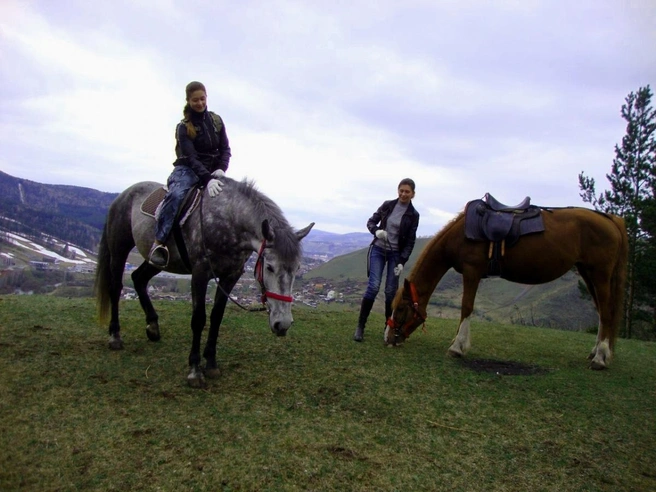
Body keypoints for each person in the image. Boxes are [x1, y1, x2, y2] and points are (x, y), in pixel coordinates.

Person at [149, 81, 232, 268]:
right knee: (176, 196)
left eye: (202, 99)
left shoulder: (216, 121)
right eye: (195, 100)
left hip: (213, 171)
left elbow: (225, 148)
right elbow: (191, 158)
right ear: (188, 101)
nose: (200, 103)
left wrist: (221, 168)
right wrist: (207, 178)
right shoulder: (183, 127)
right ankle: (159, 243)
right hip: (187, 170)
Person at [353, 178, 420, 342]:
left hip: (395, 253)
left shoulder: (413, 215)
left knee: (391, 291)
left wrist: (401, 262)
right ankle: (360, 326)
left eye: (407, 192)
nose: (403, 194)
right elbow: (370, 222)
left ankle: (387, 327)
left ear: (413, 194)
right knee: (373, 286)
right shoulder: (387, 205)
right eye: (401, 190)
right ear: (398, 190)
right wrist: (376, 231)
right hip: (378, 249)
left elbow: (410, 241)